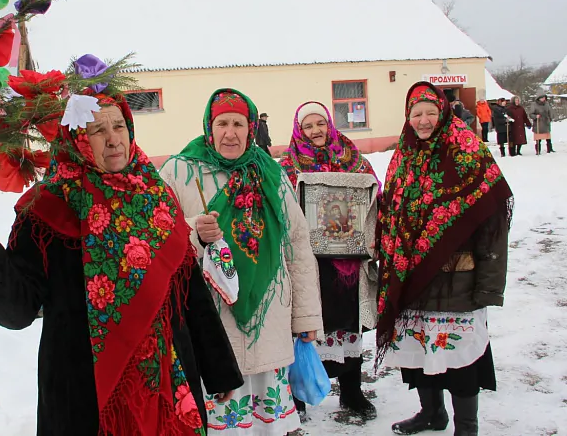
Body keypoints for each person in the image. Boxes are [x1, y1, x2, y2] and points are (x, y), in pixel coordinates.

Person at [0, 90, 244, 435]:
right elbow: (19, 309)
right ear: (75, 138)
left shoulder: (157, 196)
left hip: (168, 386)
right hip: (86, 396)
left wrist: (218, 368)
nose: (113, 140)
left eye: (119, 126)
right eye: (97, 130)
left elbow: (189, 291)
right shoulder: (47, 210)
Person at [160, 89, 323, 435]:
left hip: (268, 320)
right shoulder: (179, 171)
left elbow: (297, 244)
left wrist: (307, 317)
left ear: (251, 128)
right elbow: (157, 236)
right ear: (209, 127)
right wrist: (194, 232)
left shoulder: (271, 173)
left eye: (238, 124)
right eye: (222, 124)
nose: (230, 133)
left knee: (267, 426)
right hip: (211, 320)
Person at [376, 82, 512, 436]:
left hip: (458, 282)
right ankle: (432, 413)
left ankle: (467, 427)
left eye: (430, 113)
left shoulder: (468, 153)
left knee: (460, 361)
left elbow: (493, 225)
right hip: (412, 279)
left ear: (444, 113)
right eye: (416, 114)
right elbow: (390, 214)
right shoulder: (403, 157)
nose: (423, 120)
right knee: (420, 355)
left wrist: (489, 287)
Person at [279, 101, 380, 422]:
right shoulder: (288, 166)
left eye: (320, 124)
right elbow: (280, 206)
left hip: (347, 261)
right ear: (299, 130)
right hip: (308, 263)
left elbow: (373, 196)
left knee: (348, 326)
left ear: (330, 125)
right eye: (308, 126)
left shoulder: (352, 159)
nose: (315, 131)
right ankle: (299, 394)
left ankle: (351, 391)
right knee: (306, 324)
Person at [529, 89, 555, 155]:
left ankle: (550, 149)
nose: (544, 99)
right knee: (538, 139)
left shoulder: (547, 104)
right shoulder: (534, 104)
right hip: (538, 124)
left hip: (546, 123)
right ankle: (538, 150)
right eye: (542, 97)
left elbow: (550, 111)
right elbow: (531, 114)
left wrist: (550, 118)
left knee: (548, 138)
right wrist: (535, 116)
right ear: (539, 98)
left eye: (544, 97)